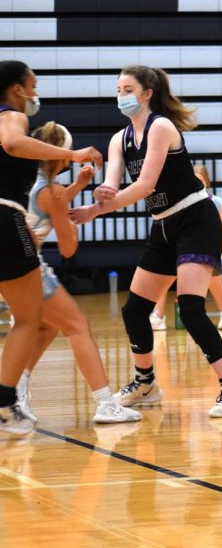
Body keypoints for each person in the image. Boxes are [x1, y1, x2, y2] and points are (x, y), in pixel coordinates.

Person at [69, 65, 222, 418]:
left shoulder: (161, 127)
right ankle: (146, 383)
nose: (121, 95)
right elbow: (115, 186)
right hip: (163, 226)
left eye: (127, 88)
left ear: (147, 93)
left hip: (196, 219)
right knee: (134, 309)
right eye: (118, 89)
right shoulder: (118, 139)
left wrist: (95, 211)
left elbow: (145, 186)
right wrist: (101, 195)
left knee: (190, 309)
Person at [0, 60, 102, 436]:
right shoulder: (11, 116)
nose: (35, 93)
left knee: (32, 321)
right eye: (33, 85)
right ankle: (5, 404)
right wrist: (73, 156)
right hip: (5, 219)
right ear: (16, 89)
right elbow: (12, 142)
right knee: (29, 320)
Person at [16, 122, 143, 425]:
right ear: (63, 155)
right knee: (78, 326)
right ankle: (105, 403)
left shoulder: (32, 181)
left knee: (47, 327)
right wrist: (75, 222)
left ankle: (15, 388)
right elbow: (68, 249)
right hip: (25, 264)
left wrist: (77, 187)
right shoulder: (53, 191)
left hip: (12, 262)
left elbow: (48, 204)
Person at [149, 163, 222, 331]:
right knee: (166, 264)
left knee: (206, 262)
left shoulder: (219, 204)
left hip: (219, 252)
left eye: (200, 181)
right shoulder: (181, 205)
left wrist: (205, 251)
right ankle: (158, 315)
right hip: (188, 253)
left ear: (207, 183)